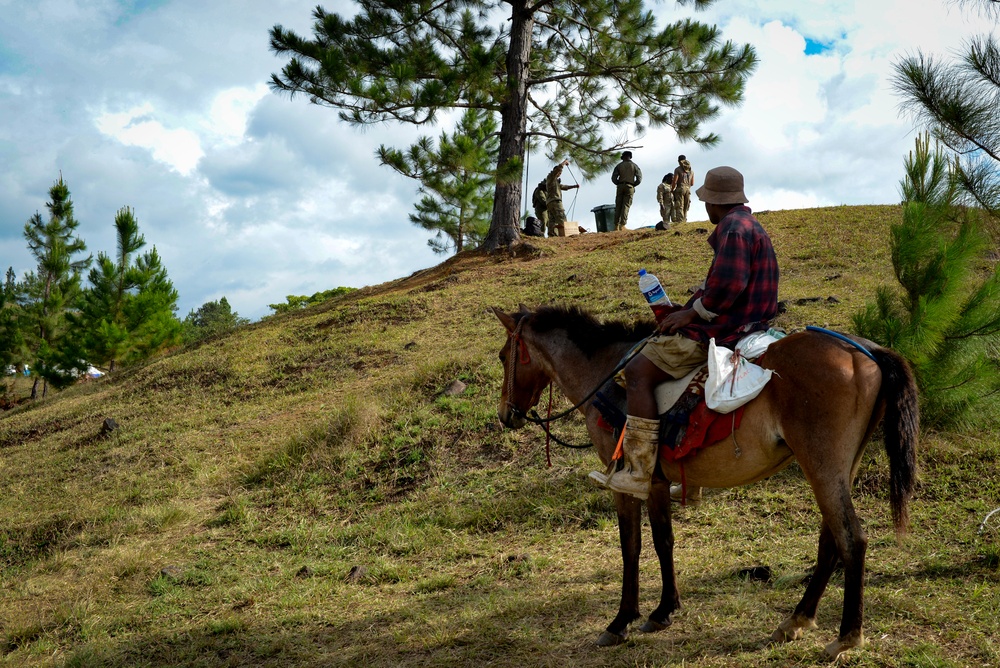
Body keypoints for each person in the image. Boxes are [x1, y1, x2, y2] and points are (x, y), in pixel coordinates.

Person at [590, 166, 780, 501]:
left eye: (706, 199)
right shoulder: (752, 226)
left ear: (714, 203)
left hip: (725, 330)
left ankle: (638, 470)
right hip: (751, 324)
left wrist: (690, 313)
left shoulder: (732, 229)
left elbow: (727, 289)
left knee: (637, 372)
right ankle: (693, 482)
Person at [545, 159, 579, 237]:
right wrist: (564, 163)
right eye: (559, 173)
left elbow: (563, 187)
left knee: (552, 220)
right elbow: (558, 169)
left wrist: (574, 186)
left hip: (550, 202)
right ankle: (566, 234)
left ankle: (552, 235)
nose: (560, 174)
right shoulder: (551, 177)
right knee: (561, 217)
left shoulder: (554, 181)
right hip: (555, 201)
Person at [611, 151, 642, 230]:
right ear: (630, 157)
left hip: (620, 186)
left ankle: (616, 226)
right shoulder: (634, 166)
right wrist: (633, 184)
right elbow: (639, 178)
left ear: (623, 157)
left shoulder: (619, 166)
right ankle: (623, 225)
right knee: (626, 205)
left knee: (618, 206)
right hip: (629, 186)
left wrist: (618, 183)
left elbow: (614, 178)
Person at [671, 155, 695, 223]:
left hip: (680, 188)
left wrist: (672, 189)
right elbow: (692, 183)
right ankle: (684, 220)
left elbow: (675, 181)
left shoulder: (677, 169)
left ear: (679, 161)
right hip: (688, 188)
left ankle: (680, 221)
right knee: (686, 205)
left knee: (679, 205)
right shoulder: (691, 171)